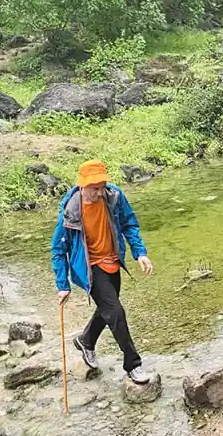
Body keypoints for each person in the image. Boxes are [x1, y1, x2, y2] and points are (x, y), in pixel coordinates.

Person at [51, 160, 154, 385]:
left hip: (113, 261)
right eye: (94, 188)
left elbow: (129, 224)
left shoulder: (114, 196)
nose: (100, 193)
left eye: (102, 186)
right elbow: (58, 250)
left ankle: (86, 341)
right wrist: (62, 285)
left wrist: (140, 253)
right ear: (82, 185)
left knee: (107, 309)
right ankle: (133, 365)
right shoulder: (70, 212)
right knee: (116, 312)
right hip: (91, 267)